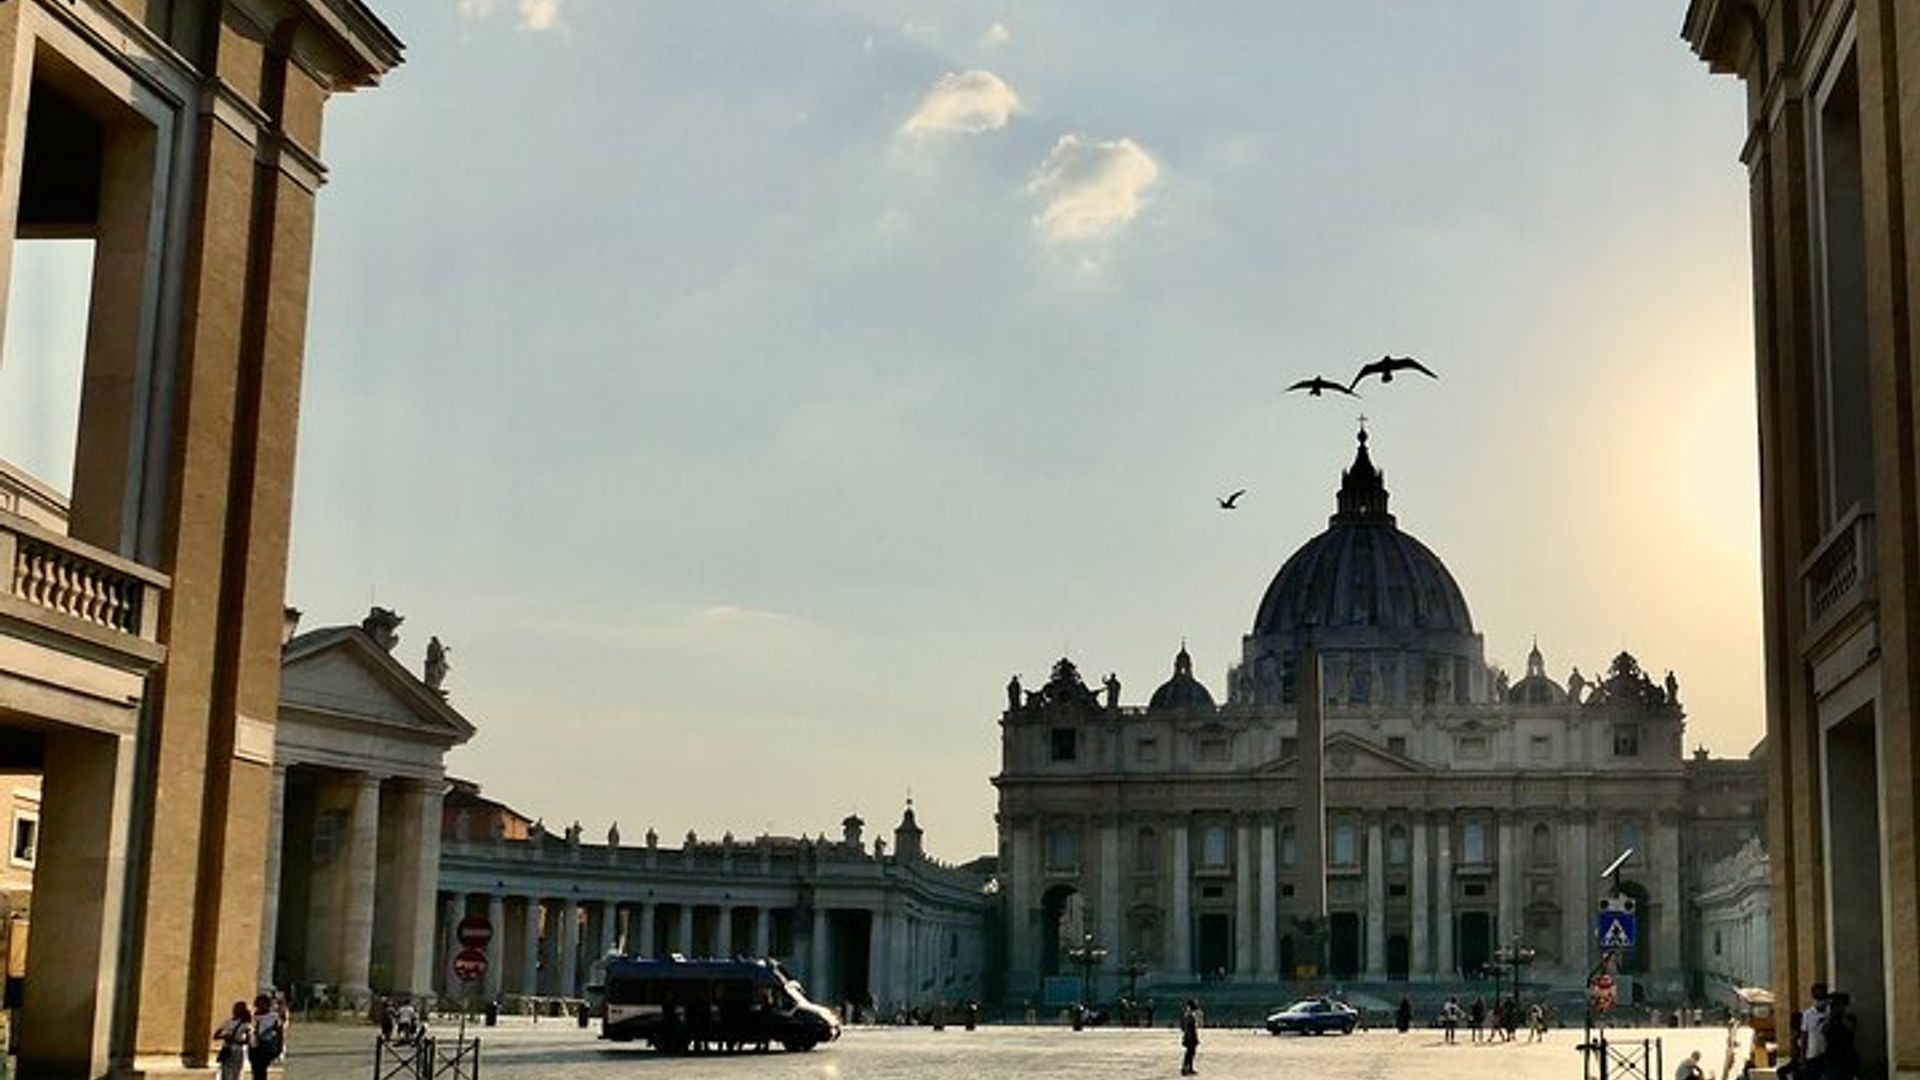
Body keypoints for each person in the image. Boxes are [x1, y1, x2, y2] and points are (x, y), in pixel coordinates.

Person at [1822, 992, 1858, 1080]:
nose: (1833, 1007)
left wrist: (1842, 1014)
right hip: (1832, 1061)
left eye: (1835, 1005)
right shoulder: (1829, 1021)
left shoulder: (1848, 1018)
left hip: (1846, 1060)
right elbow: (1824, 1030)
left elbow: (1850, 1027)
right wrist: (1830, 1016)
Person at [213, 1001, 253, 1080]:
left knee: (236, 1072)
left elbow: (249, 1040)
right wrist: (224, 1036)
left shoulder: (246, 1025)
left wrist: (235, 1040)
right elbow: (216, 1035)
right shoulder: (228, 1022)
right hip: (227, 1049)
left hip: (238, 1050)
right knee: (225, 1071)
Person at [248, 994, 284, 1080]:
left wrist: (279, 1047)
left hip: (266, 1046)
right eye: (259, 1004)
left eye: (263, 1004)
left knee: (262, 1070)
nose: (261, 1006)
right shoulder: (253, 1016)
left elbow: (279, 1032)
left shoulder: (274, 1016)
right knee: (255, 1071)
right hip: (253, 1047)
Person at [1179, 998, 1201, 1076]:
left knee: (1190, 1053)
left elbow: (1183, 1027)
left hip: (1189, 1035)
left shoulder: (1187, 1014)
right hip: (1190, 1036)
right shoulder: (1190, 1015)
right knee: (1190, 1053)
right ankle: (1185, 1069)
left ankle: (1188, 1068)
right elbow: (1189, 1026)